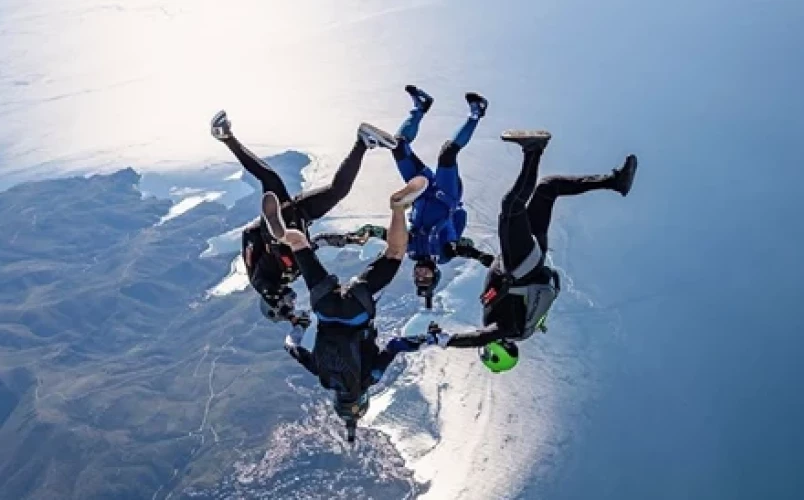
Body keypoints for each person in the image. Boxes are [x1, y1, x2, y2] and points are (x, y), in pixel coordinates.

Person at [402, 129, 638, 373]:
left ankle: (614, 182)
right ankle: (533, 149)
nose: (485, 347)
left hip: (528, 259)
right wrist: (444, 341)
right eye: (487, 353)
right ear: (497, 353)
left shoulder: (515, 324)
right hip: (521, 263)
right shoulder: (510, 329)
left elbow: (499, 282)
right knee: (511, 206)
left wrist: (478, 256)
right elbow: (480, 337)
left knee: (548, 188)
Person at [266, 176, 431, 442]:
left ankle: (399, 207)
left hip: (357, 309)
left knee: (395, 252)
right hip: (323, 307)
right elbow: (291, 347)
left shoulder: (369, 378)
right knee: (299, 245)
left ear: (363, 399)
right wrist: (297, 326)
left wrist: (426, 340)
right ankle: (284, 233)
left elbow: (395, 346)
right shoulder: (323, 377)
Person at [312, 85, 493, 308]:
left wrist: (355, 236)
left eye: (418, 278)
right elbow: (463, 246)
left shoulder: (412, 249)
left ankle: (420, 107)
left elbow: (385, 234)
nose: (421, 274)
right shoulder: (444, 254)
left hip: (421, 190)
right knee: (447, 154)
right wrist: (483, 257)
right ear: (435, 274)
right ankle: (476, 114)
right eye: (426, 278)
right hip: (447, 195)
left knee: (398, 146)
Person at [210, 110, 397, 325]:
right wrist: (347, 239)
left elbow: (266, 290)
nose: (292, 301)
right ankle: (363, 141)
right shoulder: (290, 275)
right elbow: (314, 245)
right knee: (337, 191)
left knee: (269, 178)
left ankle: (225, 137)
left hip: (281, 228)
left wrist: (289, 317)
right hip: (300, 219)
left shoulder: (263, 283)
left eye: (288, 304)